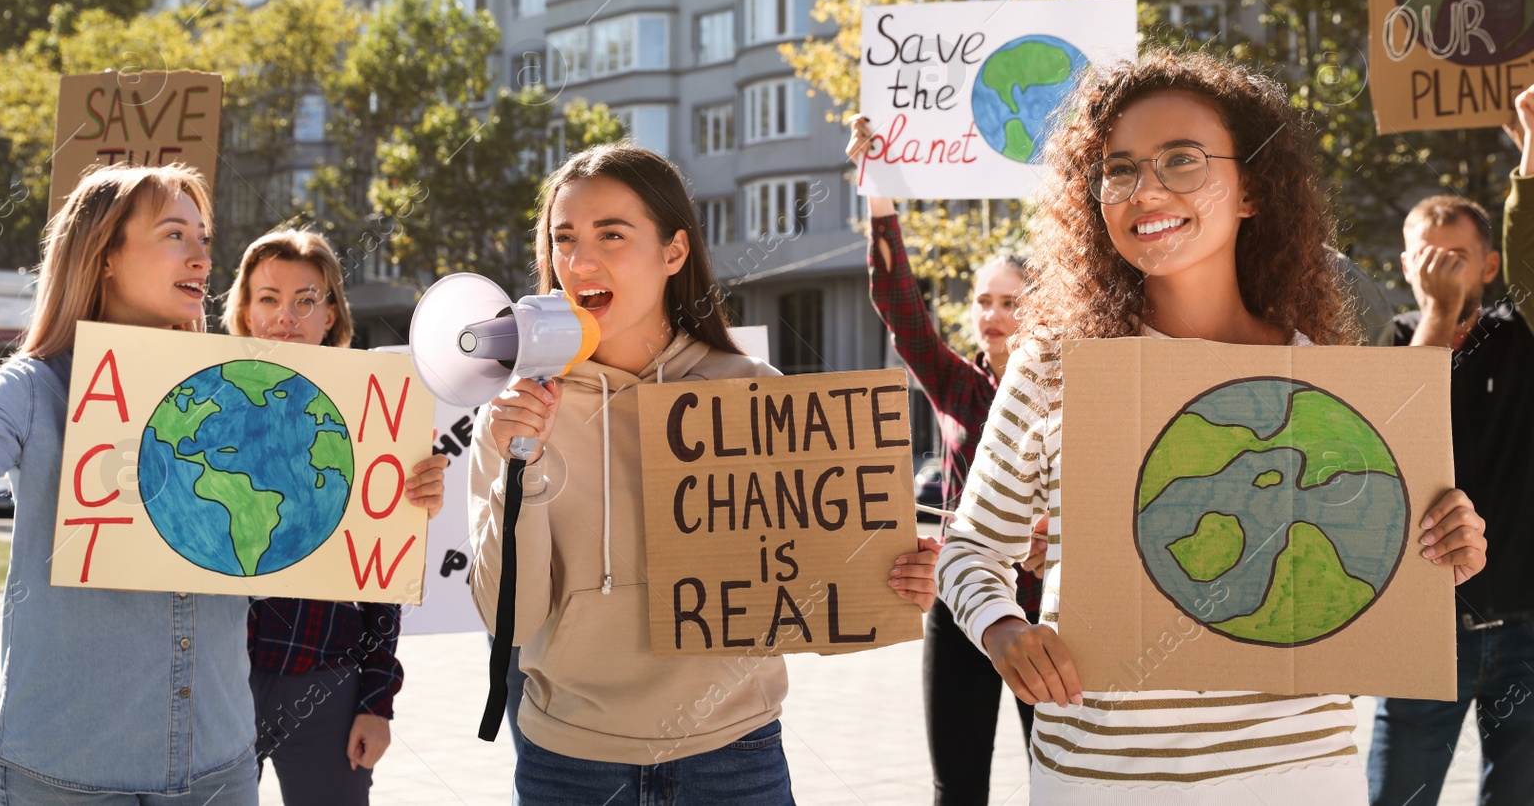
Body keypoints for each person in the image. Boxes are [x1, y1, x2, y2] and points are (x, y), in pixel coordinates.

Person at [935, 51, 1488, 803]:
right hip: (1101, 780)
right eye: (1119, 167)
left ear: (1254, 187)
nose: (1145, 188)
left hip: (1297, 777)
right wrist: (1002, 629)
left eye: (1182, 160)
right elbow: (968, 549)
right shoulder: (1053, 368)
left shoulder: (1321, 376)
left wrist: (1445, 545)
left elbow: (1381, 566)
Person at [0, 164, 445, 805]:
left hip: (215, 771)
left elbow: (313, 534)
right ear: (106, 256)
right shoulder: (35, 387)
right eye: (176, 234)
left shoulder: (244, 395)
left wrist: (397, 495)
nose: (203, 257)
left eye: (204, 237)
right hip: (67, 771)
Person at [468, 144, 939, 805]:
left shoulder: (753, 393)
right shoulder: (514, 412)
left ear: (674, 251)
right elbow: (511, 620)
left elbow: (818, 575)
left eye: (612, 234)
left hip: (733, 759)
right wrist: (524, 468)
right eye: (564, 238)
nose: (581, 261)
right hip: (571, 764)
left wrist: (892, 571)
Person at [846, 113, 1046, 806]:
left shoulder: (1071, 389)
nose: (991, 314)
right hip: (961, 610)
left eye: (1010, 302)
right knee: (955, 787)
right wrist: (879, 189)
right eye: (983, 300)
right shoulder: (956, 381)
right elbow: (900, 308)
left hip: (1045, 616)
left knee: (1060, 783)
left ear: (1042, 309)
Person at [1365, 87, 1534, 806]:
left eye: (1458, 259)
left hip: (1524, 628)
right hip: (1424, 635)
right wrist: (1435, 313)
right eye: (1428, 260)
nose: (1443, 272)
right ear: (1405, 266)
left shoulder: (1517, 334)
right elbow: (1398, 425)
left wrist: (1529, 148)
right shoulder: (1391, 342)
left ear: (1490, 266)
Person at [222, 229, 404, 806]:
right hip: (218, 680)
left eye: (307, 299)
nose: (286, 316)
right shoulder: (201, 406)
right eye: (269, 298)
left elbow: (384, 576)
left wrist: (376, 700)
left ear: (331, 315)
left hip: (328, 680)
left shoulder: (370, 412)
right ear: (246, 312)